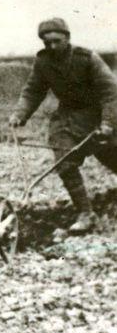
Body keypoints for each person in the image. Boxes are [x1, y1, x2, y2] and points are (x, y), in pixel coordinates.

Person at [9, 17, 117, 234]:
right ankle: (86, 213)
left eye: (57, 41)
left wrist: (108, 124)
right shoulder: (43, 62)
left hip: (98, 116)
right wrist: (20, 114)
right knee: (65, 162)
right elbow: (33, 90)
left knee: (110, 155)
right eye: (47, 43)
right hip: (66, 117)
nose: (52, 47)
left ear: (67, 38)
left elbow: (110, 94)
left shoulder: (87, 59)